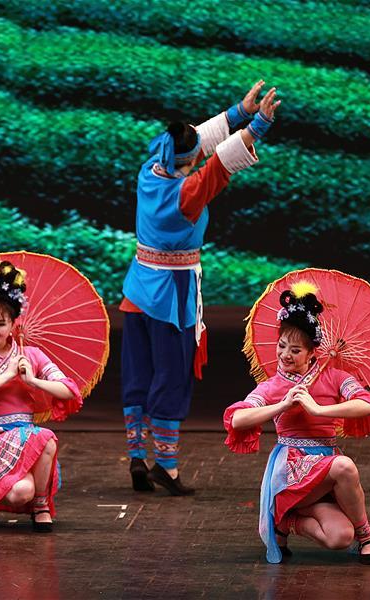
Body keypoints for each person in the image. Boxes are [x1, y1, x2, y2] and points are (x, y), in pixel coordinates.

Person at [120, 80, 280, 495]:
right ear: (189, 160)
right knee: (171, 376)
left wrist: (238, 111)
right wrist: (258, 123)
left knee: (138, 372)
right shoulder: (187, 193)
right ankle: (166, 467)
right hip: (170, 298)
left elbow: (195, 142)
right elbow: (221, 162)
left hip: (136, 291)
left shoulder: (151, 170)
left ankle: (137, 456)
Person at [223, 282, 370, 564]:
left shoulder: (335, 377)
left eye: (295, 350)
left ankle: (287, 523)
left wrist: (319, 409)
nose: (285, 355)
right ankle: (368, 536)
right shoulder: (273, 386)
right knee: (345, 466)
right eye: (282, 346)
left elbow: (367, 405)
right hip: (292, 467)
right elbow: (238, 419)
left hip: (325, 466)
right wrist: (283, 404)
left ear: (312, 353)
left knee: (339, 538)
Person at [0, 261, 82, 533]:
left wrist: (33, 380)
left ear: (13, 324)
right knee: (21, 492)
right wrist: (7, 376)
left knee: (44, 438)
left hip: (26, 437)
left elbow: (69, 390)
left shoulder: (30, 356)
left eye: (1, 323)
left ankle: (41, 505)